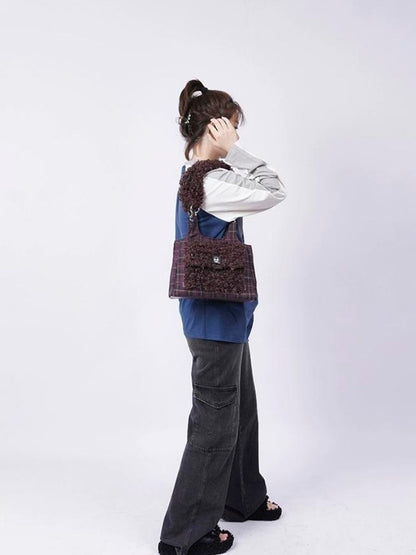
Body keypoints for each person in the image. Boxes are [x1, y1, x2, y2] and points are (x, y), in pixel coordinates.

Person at [158, 80, 287, 555]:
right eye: (232, 126)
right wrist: (239, 151)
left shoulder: (201, 175)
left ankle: (242, 497)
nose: (236, 133)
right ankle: (186, 534)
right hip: (216, 323)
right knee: (213, 424)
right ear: (215, 127)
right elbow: (275, 190)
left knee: (240, 410)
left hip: (222, 318)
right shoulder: (213, 182)